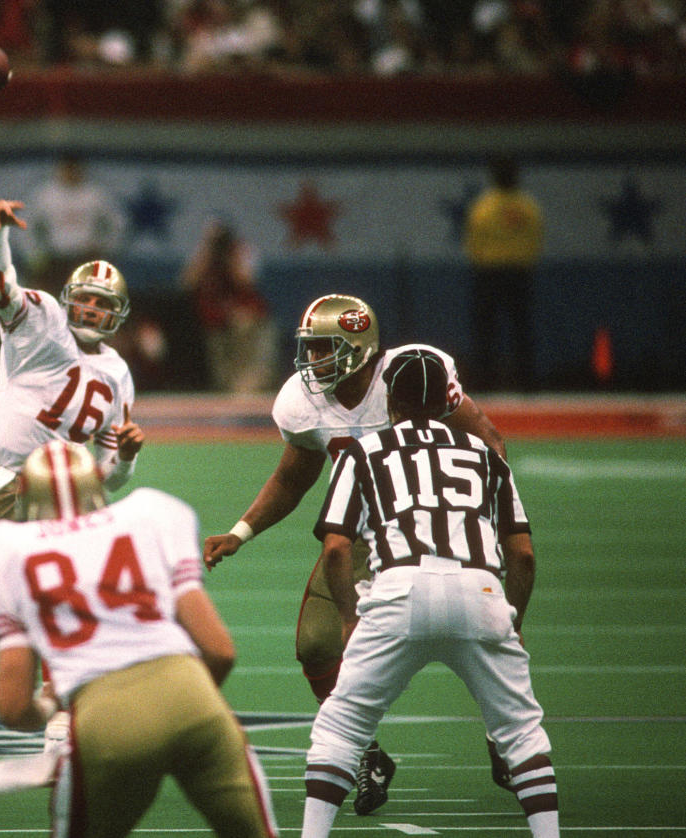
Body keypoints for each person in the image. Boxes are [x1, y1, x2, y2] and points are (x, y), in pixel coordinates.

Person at [202, 293, 512, 815]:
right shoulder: (303, 402)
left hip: (437, 530)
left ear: (359, 348)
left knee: (480, 635)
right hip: (363, 537)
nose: (311, 361)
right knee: (317, 644)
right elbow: (295, 474)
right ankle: (366, 754)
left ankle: (507, 735)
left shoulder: (413, 374)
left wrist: (480, 523)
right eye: (310, 348)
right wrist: (242, 530)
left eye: (324, 348)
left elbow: (491, 446)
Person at [0, 198, 145, 771]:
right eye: (86, 300)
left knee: (57, 602)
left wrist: (130, 458)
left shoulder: (118, 374)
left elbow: (111, 477)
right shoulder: (40, 320)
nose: (91, 310)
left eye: (102, 304)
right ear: (70, 300)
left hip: (61, 494)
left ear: (117, 314)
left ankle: (63, 721)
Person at [301, 348, 558, 837]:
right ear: (446, 400)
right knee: (522, 736)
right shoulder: (486, 455)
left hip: (397, 590)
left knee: (340, 729)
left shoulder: (362, 452)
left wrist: (351, 617)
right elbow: (522, 555)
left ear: (389, 403)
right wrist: (513, 620)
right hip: (480, 588)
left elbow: (336, 547)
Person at [0, 440, 279, 838]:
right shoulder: (149, 514)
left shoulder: (3, 551)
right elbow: (220, 650)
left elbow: (11, 708)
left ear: (24, 493)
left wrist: (48, 708)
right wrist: (182, 705)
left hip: (105, 718)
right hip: (193, 698)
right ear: (97, 480)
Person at [463, 154, 543, 391]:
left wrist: (487, 259)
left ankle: (490, 382)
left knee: (500, 330)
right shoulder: (527, 207)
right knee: (514, 329)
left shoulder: (485, 207)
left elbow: (473, 242)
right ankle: (520, 383)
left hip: (494, 273)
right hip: (512, 273)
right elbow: (535, 239)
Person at [179, 219, 279, 393]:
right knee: (222, 377)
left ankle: (248, 388)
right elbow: (186, 283)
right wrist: (207, 251)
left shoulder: (242, 251)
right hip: (215, 323)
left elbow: (246, 280)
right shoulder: (204, 257)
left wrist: (231, 256)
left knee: (249, 375)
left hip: (249, 324)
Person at [26, 155, 126, 297]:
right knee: (54, 300)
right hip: (55, 259)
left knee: (85, 301)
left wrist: (105, 247)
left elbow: (117, 223)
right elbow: (28, 226)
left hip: (85, 258)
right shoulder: (45, 195)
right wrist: (35, 254)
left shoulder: (94, 194)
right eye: (66, 170)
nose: (70, 174)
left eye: (74, 170)